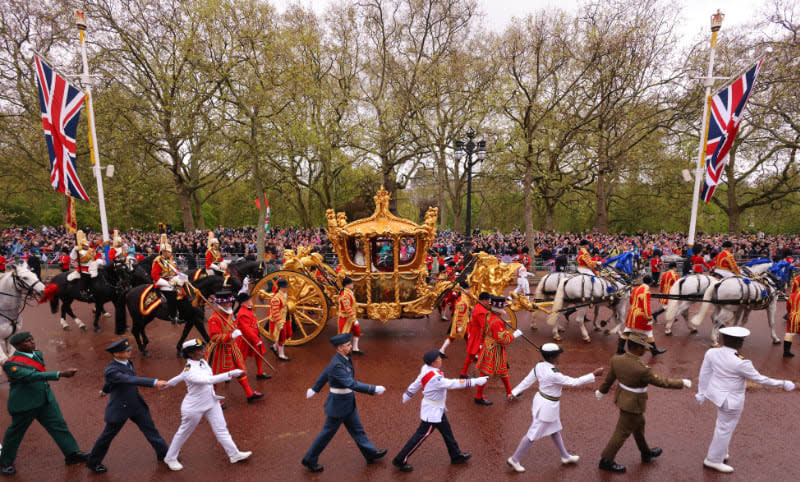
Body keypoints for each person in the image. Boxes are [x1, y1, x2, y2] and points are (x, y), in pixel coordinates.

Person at [696, 326, 796, 473]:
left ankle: (721, 452)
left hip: (718, 396)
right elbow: (761, 379)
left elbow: (704, 373)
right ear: (740, 343)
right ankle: (713, 460)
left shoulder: (711, 352)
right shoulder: (742, 362)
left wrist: (702, 392)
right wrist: (783, 383)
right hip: (732, 401)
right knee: (724, 429)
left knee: (722, 427)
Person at [596, 332, 691, 473]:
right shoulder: (642, 369)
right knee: (621, 432)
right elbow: (662, 382)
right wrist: (681, 382)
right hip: (633, 404)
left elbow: (609, 379)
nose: (645, 351)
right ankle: (606, 460)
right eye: (644, 348)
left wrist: (602, 391)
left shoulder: (616, 359)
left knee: (639, 426)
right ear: (639, 348)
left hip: (623, 398)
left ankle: (645, 452)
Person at [0, 332, 88, 476]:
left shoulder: (37, 355)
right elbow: (31, 376)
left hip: (45, 399)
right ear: (17, 346)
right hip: (25, 403)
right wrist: (59, 374)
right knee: (16, 433)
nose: (32, 342)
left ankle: (71, 453)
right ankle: (5, 461)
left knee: (59, 426)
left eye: (32, 339)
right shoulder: (11, 364)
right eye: (27, 341)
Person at [506, 343, 603, 473]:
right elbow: (574, 382)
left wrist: (514, 391)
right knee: (532, 434)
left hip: (543, 401)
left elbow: (527, 381)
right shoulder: (554, 374)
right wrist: (593, 374)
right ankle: (515, 459)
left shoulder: (539, 366)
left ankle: (565, 456)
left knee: (555, 430)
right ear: (552, 357)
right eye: (558, 354)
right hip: (547, 407)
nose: (560, 356)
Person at [301, 333, 387, 473]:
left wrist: (315, 388)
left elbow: (325, 372)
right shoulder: (337, 364)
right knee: (326, 434)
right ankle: (310, 459)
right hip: (338, 405)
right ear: (340, 348)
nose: (351, 346)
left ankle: (370, 453)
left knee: (357, 430)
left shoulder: (342, 359)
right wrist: (373, 389)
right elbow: (350, 383)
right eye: (347, 345)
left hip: (347, 403)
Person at [162, 339, 252, 471]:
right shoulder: (190, 369)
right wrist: (229, 374)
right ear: (191, 354)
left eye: (202, 348)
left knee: (221, 429)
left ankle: (234, 454)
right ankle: (170, 458)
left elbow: (180, 376)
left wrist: (168, 383)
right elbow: (207, 380)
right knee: (184, 432)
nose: (203, 351)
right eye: (199, 350)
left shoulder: (202, 362)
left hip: (211, 401)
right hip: (194, 407)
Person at [392, 350, 485, 472]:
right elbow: (453, 384)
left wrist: (408, 394)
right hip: (433, 413)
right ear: (434, 362)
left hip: (437, 409)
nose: (441, 360)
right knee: (421, 436)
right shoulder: (436, 378)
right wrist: (475, 381)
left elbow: (417, 382)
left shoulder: (425, 368)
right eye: (439, 359)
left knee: (447, 432)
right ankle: (400, 459)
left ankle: (456, 455)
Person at [86, 338, 169, 473]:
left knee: (151, 430)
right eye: (125, 350)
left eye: (129, 349)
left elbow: (110, 383)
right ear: (116, 354)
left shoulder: (127, 362)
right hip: (120, 407)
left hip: (136, 403)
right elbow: (129, 379)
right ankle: (93, 462)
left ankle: (164, 454)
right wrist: (154, 382)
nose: (129, 351)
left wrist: (105, 390)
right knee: (107, 436)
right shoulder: (111, 370)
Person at [207, 291, 264, 403]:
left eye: (229, 302)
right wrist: (230, 336)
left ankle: (249, 394)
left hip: (232, 347)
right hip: (219, 350)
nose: (228, 304)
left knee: (241, 370)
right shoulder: (214, 319)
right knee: (216, 375)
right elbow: (214, 337)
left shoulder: (230, 314)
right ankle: (213, 398)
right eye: (225, 303)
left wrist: (236, 332)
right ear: (220, 304)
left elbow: (235, 326)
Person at [474, 296, 523, 405]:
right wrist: (514, 335)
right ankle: (478, 396)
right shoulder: (497, 321)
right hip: (494, 349)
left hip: (490, 346)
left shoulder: (489, 316)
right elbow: (503, 340)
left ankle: (509, 392)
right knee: (486, 373)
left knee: (502, 370)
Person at [616, 275, 666, 357]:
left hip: (632, 313)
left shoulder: (635, 289)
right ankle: (654, 350)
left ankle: (620, 349)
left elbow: (631, 301)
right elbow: (646, 307)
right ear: (650, 283)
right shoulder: (646, 292)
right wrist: (649, 318)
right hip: (641, 314)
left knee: (627, 330)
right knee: (648, 332)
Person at [235, 291, 270, 379]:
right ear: (243, 302)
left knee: (259, 353)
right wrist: (256, 340)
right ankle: (234, 372)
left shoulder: (248, 309)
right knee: (241, 357)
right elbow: (247, 330)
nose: (250, 301)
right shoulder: (243, 313)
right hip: (246, 339)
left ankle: (260, 372)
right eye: (248, 300)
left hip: (254, 337)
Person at [151, 234, 184, 323]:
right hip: (161, 282)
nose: (170, 253)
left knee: (182, 291)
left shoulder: (170, 260)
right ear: (164, 252)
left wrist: (181, 277)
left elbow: (176, 271)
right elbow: (155, 276)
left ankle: (181, 312)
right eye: (169, 252)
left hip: (171, 280)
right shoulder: (158, 261)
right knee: (172, 294)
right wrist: (168, 283)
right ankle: (172, 315)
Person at [460, 292, 491, 378]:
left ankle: (463, 373)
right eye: (488, 300)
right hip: (478, 335)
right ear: (484, 300)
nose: (489, 302)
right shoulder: (482, 311)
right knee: (485, 355)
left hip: (474, 333)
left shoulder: (477, 307)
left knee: (471, 356)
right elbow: (484, 326)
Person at [439, 281, 471, 358]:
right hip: (461, 322)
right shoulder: (462, 300)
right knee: (466, 336)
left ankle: (441, 350)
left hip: (464, 321)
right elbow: (460, 314)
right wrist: (460, 325)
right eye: (467, 289)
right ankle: (474, 354)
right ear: (463, 289)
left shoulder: (465, 297)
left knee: (464, 337)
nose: (469, 290)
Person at [337, 277, 364, 354]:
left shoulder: (349, 292)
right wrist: (354, 319)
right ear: (347, 285)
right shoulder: (345, 295)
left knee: (357, 331)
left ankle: (355, 348)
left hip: (350, 318)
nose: (353, 284)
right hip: (345, 318)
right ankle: (342, 352)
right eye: (351, 283)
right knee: (343, 336)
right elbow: (347, 308)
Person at [268, 278, 292, 361]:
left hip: (284, 318)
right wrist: (280, 323)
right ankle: (281, 355)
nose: (287, 288)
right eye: (286, 287)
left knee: (286, 335)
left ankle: (275, 346)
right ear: (281, 288)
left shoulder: (283, 295)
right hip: (279, 321)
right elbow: (275, 312)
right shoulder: (276, 298)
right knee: (282, 338)